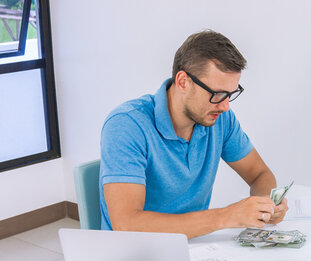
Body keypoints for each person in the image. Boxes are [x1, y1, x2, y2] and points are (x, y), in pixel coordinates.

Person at [100, 30, 287, 239]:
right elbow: (126, 225)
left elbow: (260, 174)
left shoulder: (219, 118)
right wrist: (225, 217)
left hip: (194, 247)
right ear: (183, 82)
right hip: (136, 256)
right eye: (217, 94)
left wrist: (266, 205)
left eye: (231, 94)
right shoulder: (127, 124)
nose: (225, 106)